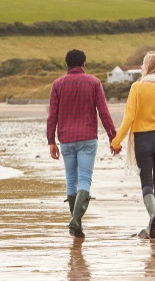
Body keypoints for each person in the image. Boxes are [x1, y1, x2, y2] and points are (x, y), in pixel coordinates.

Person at [47, 49, 118, 238]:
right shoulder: (94, 83)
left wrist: (50, 141)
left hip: (66, 139)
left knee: (71, 180)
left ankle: (76, 223)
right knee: (85, 179)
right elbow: (104, 112)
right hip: (87, 138)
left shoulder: (58, 84)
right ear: (84, 64)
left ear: (66, 65)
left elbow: (52, 115)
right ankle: (75, 221)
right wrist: (113, 137)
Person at [110, 51, 155, 239]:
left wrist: (116, 142)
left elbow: (129, 118)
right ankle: (153, 224)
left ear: (146, 67)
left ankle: (153, 217)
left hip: (143, 140)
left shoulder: (136, 87)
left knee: (147, 182)